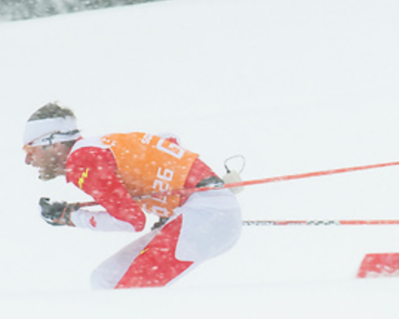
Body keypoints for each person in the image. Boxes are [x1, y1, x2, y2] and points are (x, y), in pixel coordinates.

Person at [22, 102, 242, 288]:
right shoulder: (102, 146)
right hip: (207, 213)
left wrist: (70, 217)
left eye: (31, 150)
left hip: (204, 217)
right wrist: (171, 208)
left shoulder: (83, 160)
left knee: (122, 293)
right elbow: (169, 139)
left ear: (55, 143)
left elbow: (131, 221)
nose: (28, 161)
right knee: (105, 279)